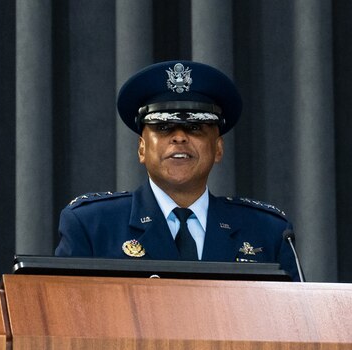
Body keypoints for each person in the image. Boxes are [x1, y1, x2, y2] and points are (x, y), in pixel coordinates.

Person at [54, 60, 302, 281]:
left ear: (217, 148)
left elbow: (297, 327)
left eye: (195, 128)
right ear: (141, 149)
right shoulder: (92, 225)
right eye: (163, 128)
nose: (180, 138)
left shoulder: (269, 232)